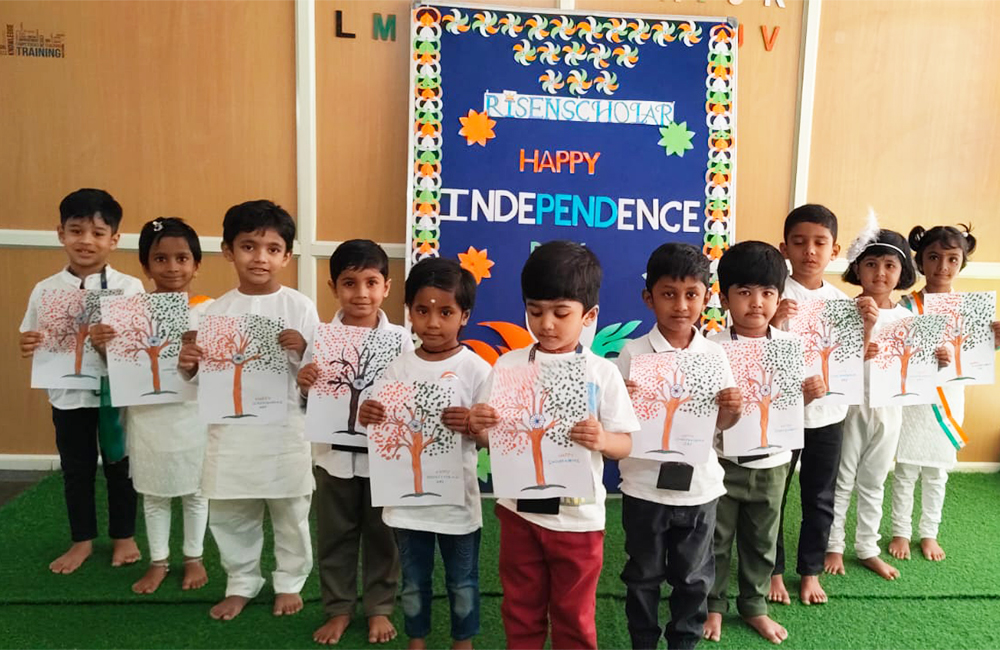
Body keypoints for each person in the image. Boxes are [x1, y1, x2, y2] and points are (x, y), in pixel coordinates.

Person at [469, 241, 639, 650]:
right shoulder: (508, 366)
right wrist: (480, 426)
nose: (546, 324)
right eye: (535, 311)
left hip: (578, 521)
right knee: (520, 607)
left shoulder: (602, 373)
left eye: (561, 313)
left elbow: (625, 444)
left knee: (574, 614)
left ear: (589, 316)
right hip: (518, 513)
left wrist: (602, 439)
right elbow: (489, 438)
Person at [178, 200, 318, 620]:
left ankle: (290, 580)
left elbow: (318, 373)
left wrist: (303, 351)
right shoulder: (212, 312)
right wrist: (190, 366)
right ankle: (241, 580)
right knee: (230, 512)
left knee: (291, 512)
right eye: (249, 246)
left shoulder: (300, 307)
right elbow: (202, 380)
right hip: (231, 434)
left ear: (287, 256)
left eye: (273, 249)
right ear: (228, 251)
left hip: (284, 429)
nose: (261, 258)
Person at [359, 257, 491, 650]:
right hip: (406, 507)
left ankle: (462, 641)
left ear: (465, 316)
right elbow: (377, 420)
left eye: (445, 312)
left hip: (458, 505)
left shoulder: (477, 370)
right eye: (422, 310)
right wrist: (369, 413)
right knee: (414, 580)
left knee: (462, 579)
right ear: (409, 312)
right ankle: (416, 638)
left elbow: (491, 438)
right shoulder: (397, 368)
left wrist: (474, 425)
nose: (433, 322)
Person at [615, 243, 742, 650]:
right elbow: (616, 426)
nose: (681, 305)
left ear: (706, 298)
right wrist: (623, 402)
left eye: (692, 294)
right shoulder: (631, 353)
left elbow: (721, 427)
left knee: (694, 577)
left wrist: (732, 410)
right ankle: (643, 642)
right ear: (648, 297)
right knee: (643, 574)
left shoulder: (715, 355)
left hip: (699, 489)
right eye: (668, 294)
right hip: (644, 489)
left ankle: (684, 642)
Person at [704, 241, 827, 645]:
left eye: (767, 292)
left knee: (762, 541)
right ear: (724, 299)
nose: (756, 303)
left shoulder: (791, 346)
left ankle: (754, 605)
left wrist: (809, 394)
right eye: (744, 292)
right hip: (722, 462)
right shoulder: (712, 348)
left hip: (773, 463)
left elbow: (791, 406)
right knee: (716, 539)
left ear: (779, 297)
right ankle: (713, 604)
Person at [19, 188, 144, 574]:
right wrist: (28, 342)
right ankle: (82, 540)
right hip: (69, 395)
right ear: (61, 233)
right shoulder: (46, 289)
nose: (86, 241)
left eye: (98, 233)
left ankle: (124, 535)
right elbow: (31, 334)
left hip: (116, 395)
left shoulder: (129, 288)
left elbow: (139, 348)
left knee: (121, 466)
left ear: (114, 239)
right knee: (76, 468)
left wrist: (111, 342)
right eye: (76, 231)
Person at [297, 239, 411, 645]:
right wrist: (305, 384)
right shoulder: (321, 337)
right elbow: (306, 400)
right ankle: (338, 609)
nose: (361, 293)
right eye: (349, 283)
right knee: (335, 535)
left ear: (387, 287)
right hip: (333, 460)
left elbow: (408, 396)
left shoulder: (401, 340)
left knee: (383, 536)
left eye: (371, 282)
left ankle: (379, 607)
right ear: (333, 287)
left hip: (383, 459)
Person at [823, 220, 944, 581]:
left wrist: (937, 362)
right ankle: (833, 544)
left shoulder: (909, 318)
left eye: (890, 265)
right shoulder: (842, 312)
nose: (880, 273)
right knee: (842, 479)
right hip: (850, 408)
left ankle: (867, 548)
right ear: (857, 268)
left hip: (890, 411)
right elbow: (828, 361)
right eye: (871, 264)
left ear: (902, 271)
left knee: (874, 480)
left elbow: (917, 373)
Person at [768, 204, 873, 605]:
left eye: (819, 243)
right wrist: (774, 322)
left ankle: (810, 570)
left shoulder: (845, 303)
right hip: (782, 413)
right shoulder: (773, 297)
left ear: (835, 250)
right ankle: (773, 570)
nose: (809, 251)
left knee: (820, 496)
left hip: (828, 415)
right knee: (773, 496)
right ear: (784, 248)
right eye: (799, 242)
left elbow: (852, 361)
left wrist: (866, 327)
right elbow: (759, 354)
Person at [889, 224, 1000, 562]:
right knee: (906, 470)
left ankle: (929, 532)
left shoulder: (971, 309)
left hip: (949, 399)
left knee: (937, 472)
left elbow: (975, 357)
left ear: (962, 262)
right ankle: (900, 531)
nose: (943, 267)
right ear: (920, 261)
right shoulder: (905, 307)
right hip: (914, 402)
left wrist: (993, 341)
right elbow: (894, 355)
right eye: (934, 257)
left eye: (952, 259)